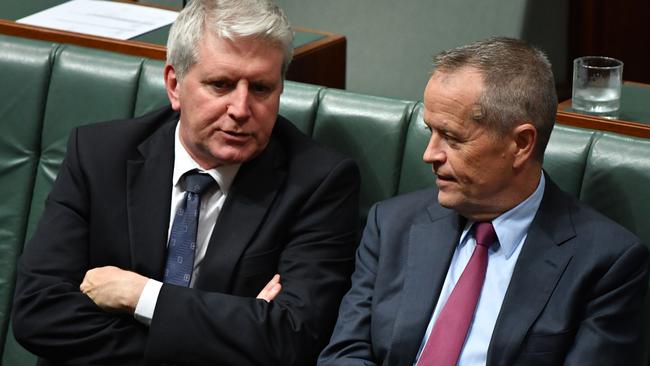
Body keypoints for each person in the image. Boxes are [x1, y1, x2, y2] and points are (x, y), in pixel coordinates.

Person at [12, 0, 360, 365]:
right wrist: (227, 331)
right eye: (221, 85)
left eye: (261, 88)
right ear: (175, 85)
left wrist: (142, 296)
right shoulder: (100, 156)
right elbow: (38, 312)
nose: (241, 109)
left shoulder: (319, 182)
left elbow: (291, 338)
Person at [318, 37, 649, 366]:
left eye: (452, 137)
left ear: (521, 143)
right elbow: (343, 355)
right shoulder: (391, 225)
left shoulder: (607, 264)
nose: (429, 154)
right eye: (430, 131)